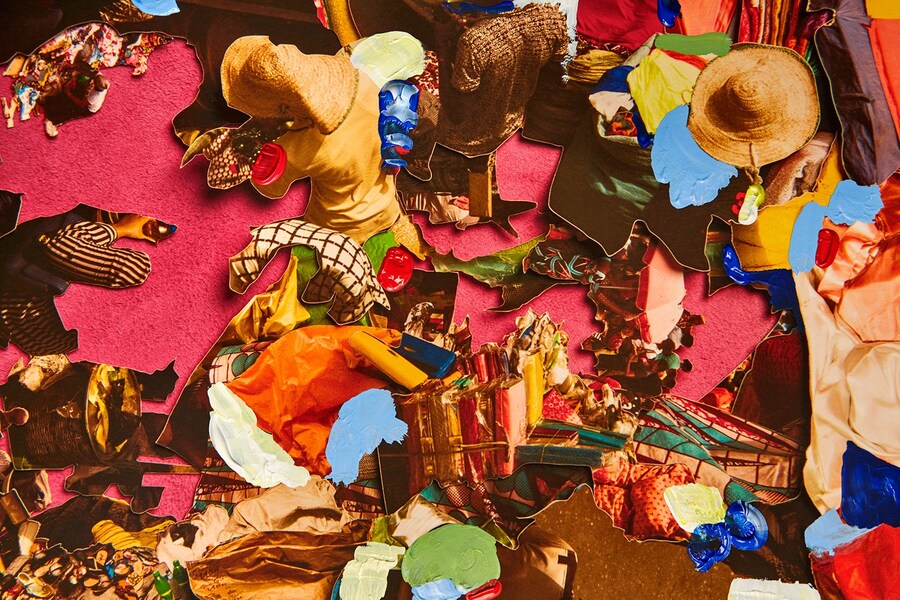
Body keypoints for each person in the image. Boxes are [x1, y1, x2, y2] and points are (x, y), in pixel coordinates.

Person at [41, 69, 110, 137]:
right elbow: (91, 73)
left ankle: (53, 121)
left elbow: (81, 103)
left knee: (70, 111)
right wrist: (76, 71)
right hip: (86, 97)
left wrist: (68, 93)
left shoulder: (94, 97)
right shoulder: (103, 80)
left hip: (87, 108)